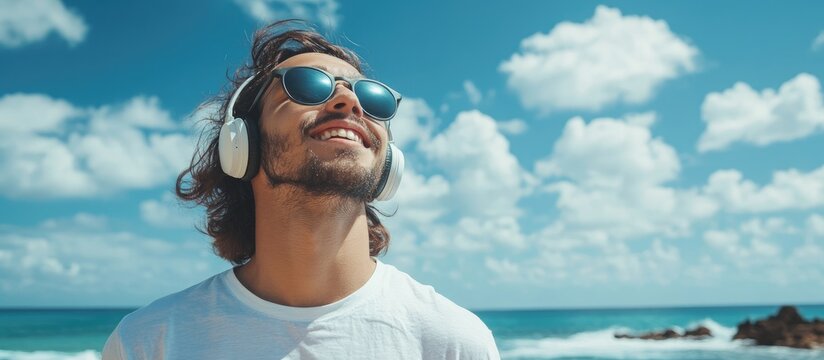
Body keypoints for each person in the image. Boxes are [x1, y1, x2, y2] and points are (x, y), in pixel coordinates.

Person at [102, 20, 500, 359]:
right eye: (308, 86)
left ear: (387, 159)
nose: (348, 101)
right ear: (241, 142)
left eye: (370, 96)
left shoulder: (453, 342)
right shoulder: (148, 342)